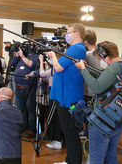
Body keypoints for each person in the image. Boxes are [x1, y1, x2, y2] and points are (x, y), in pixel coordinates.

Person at [75, 41, 122, 164]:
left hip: (103, 121)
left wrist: (83, 70)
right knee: (110, 157)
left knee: (96, 159)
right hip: (116, 119)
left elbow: (97, 88)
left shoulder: (114, 67)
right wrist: (85, 68)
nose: (99, 60)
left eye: (99, 57)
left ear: (104, 54)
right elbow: (104, 78)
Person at [45, 23, 86, 164]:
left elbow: (58, 67)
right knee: (68, 131)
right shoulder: (73, 48)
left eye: (69, 32)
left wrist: (52, 55)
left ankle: (74, 161)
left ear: (77, 34)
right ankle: (70, 160)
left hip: (69, 98)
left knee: (70, 132)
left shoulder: (76, 48)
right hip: (64, 95)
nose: (66, 35)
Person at [10, 46, 38, 136]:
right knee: (20, 108)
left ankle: (32, 129)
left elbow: (31, 65)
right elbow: (12, 64)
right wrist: (16, 55)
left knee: (30, 108)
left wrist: (22, 56)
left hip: (29, 87)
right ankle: (23, 126)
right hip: (19, 86)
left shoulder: (35, 56)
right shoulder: (20, 57)